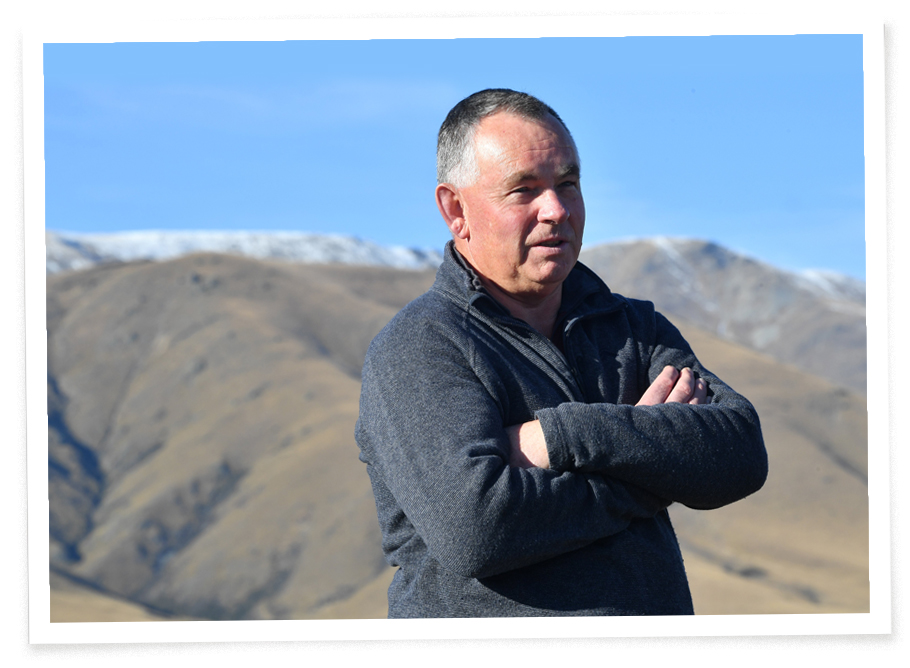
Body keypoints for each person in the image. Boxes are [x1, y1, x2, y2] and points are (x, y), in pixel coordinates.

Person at [355, 88, 767, 618]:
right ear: (455, 210)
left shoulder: (630, 328)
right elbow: (479, 530)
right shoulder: (421, 347)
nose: (556, 209)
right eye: (524, 190)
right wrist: (649, 471)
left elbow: (740, 453)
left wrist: (560, 436)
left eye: (567, 184)